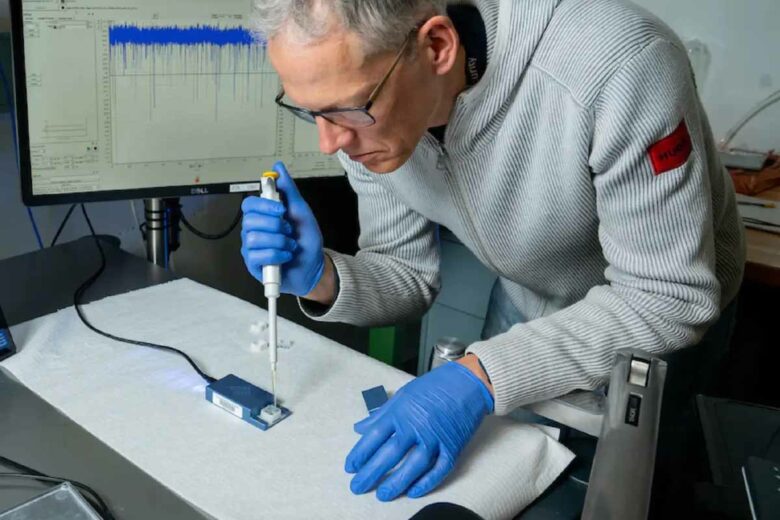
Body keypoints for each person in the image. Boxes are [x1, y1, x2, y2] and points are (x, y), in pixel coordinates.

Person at [240, 0, 745, 503]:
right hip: (526, 299)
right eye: (312, 113)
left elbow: (669, 297)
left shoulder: (619, 62)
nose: (331, 143)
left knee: (633, 497)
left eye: (348, 109)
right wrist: (320, 277)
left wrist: (484, 377)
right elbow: (405, 273)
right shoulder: (367, 115)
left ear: (436, 46)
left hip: (661, 328)